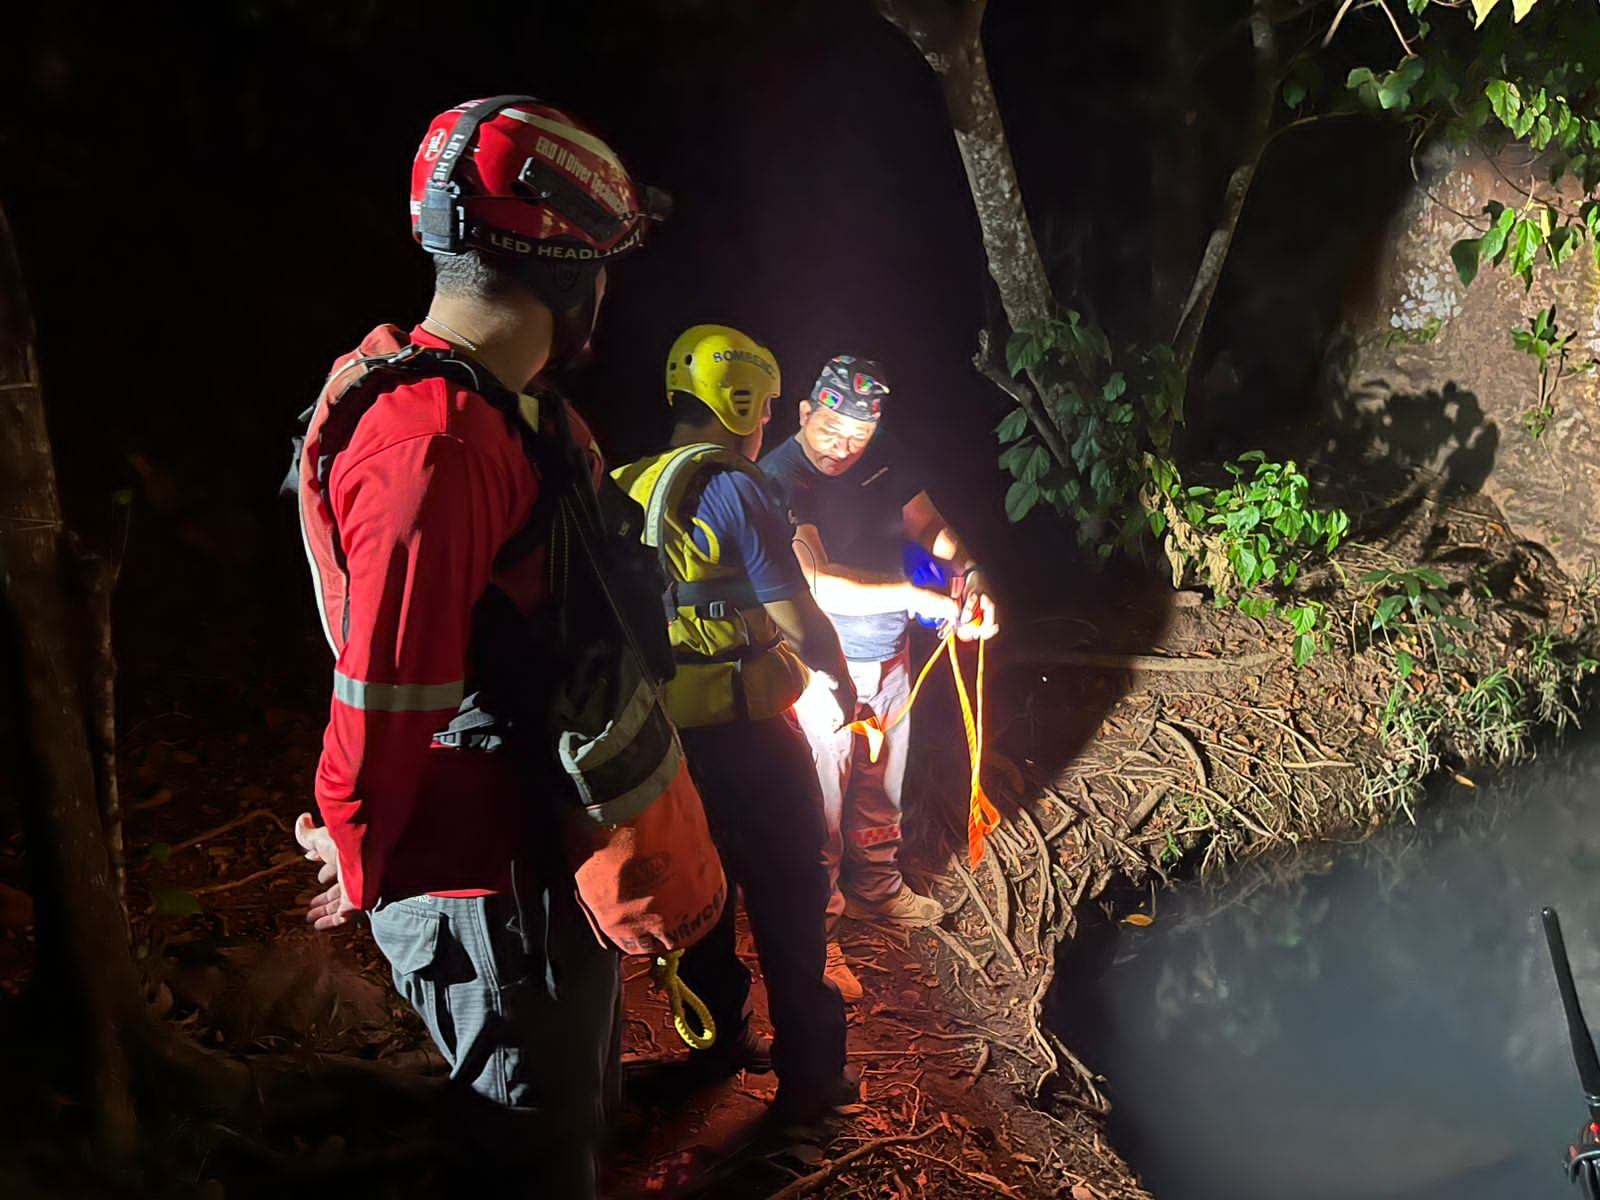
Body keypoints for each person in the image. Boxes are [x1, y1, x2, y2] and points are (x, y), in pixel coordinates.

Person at [289, 96, 663, 1195]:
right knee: (524, 1153)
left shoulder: (504, 412)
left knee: (570, 1125)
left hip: (543, 855)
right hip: (485, 889)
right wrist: (358, 858)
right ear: (566, 276)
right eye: (604, 265)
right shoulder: (435, 449)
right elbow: (386, 692)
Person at [612, 325, 857, 1120]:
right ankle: (811, 1081)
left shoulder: (623, 483)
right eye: (764, 407)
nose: (765, 425)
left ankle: (718, 1046)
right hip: (752, 741)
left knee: (701, 903)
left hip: (664, 749)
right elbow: (795, 615)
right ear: (740, 399)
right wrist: (840, 676)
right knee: (790, 899)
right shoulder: (737, 485)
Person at [762, 355, 1000, 1002]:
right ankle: (817, 935)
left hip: (888, 655)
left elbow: (927, 524)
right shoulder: (780, 477)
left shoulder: (883, 454)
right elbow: (813, 579)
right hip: (816, 667)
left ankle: (876, 890)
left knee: (880, 784)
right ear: (805, 412)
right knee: (817, 806)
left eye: (857, 437)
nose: (842, 448)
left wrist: (966, 575)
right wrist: (916, 598)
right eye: (830, 430)